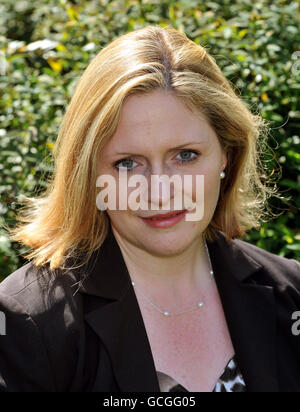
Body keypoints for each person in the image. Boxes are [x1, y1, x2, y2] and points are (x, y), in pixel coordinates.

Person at [0, 25, 300, 393]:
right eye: (128, 163)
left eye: (185, 155)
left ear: (227, 153)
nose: (160, 192)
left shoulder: (292, 293)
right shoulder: (25, 322)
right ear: (89, 172)